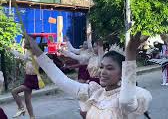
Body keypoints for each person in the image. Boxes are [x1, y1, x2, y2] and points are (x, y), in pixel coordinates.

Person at [24, 33, 152, 119]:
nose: (103, 72)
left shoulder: (131, 96)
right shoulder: (94, 92)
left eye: (110, 68)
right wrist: (36, 50)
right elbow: (60, 80)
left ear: (121, 74)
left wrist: (130, 56)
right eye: (101, 67)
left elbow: (126, 101)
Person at [10, 47, 39, 119]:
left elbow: (25, 58)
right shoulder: (29, 57)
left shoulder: (37, 58)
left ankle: (21, 108)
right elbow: (22, 56)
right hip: (28, 78)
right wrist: (11, 50)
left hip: (32, 79)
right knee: (27, 100)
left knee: (14, 92)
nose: (27, 52)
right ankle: (32, 117)